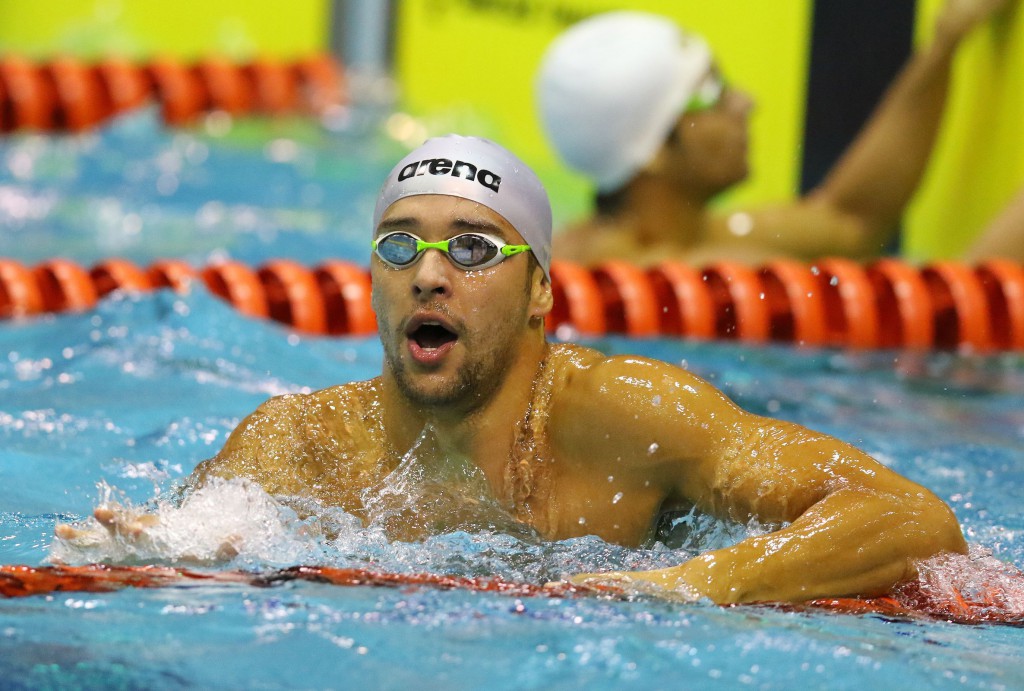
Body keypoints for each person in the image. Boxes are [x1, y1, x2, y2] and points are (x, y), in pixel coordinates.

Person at [56, 135, 966, 604]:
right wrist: (164, 555)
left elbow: (913, 518)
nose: (430, 271)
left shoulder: (626, 416)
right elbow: (178, 546)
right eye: (400, 242)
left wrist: (703, 582)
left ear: (539, 291)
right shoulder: (296, 444)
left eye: (475, 247)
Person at [536, 1, 1012, 267]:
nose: (745, 102)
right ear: (653, 149)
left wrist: (946, 41)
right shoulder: (631, 273)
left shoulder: (701, 236)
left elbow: (852, 221)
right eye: (713, 93)